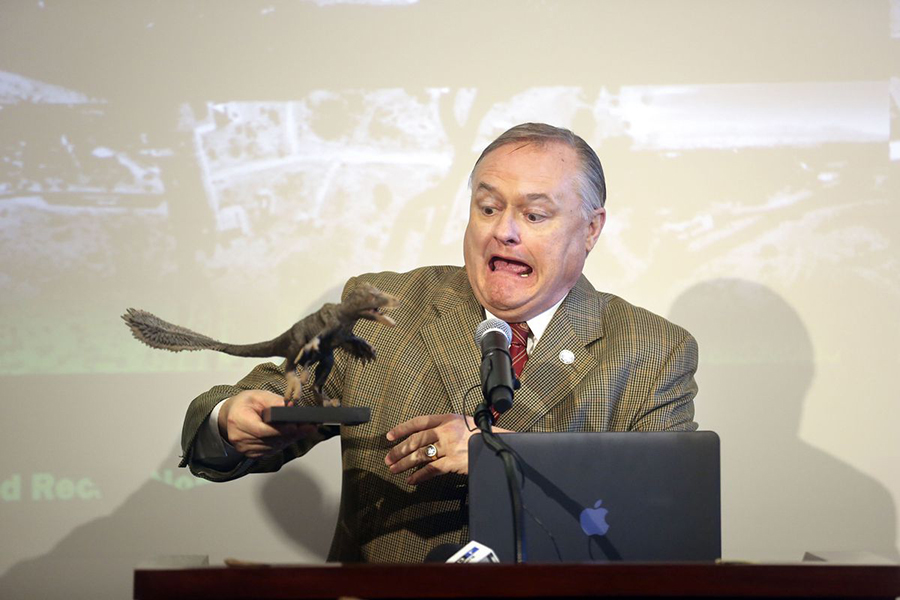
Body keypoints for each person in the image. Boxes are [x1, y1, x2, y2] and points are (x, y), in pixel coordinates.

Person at [180, 122, 699, 563]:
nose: (505, 232)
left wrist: (501, 456)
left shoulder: (652, 350)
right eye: (489, 208)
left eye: (535, 215)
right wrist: (229, 419)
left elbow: (665, 510)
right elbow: (250, 405)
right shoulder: (385, 309)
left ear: (590, 229)